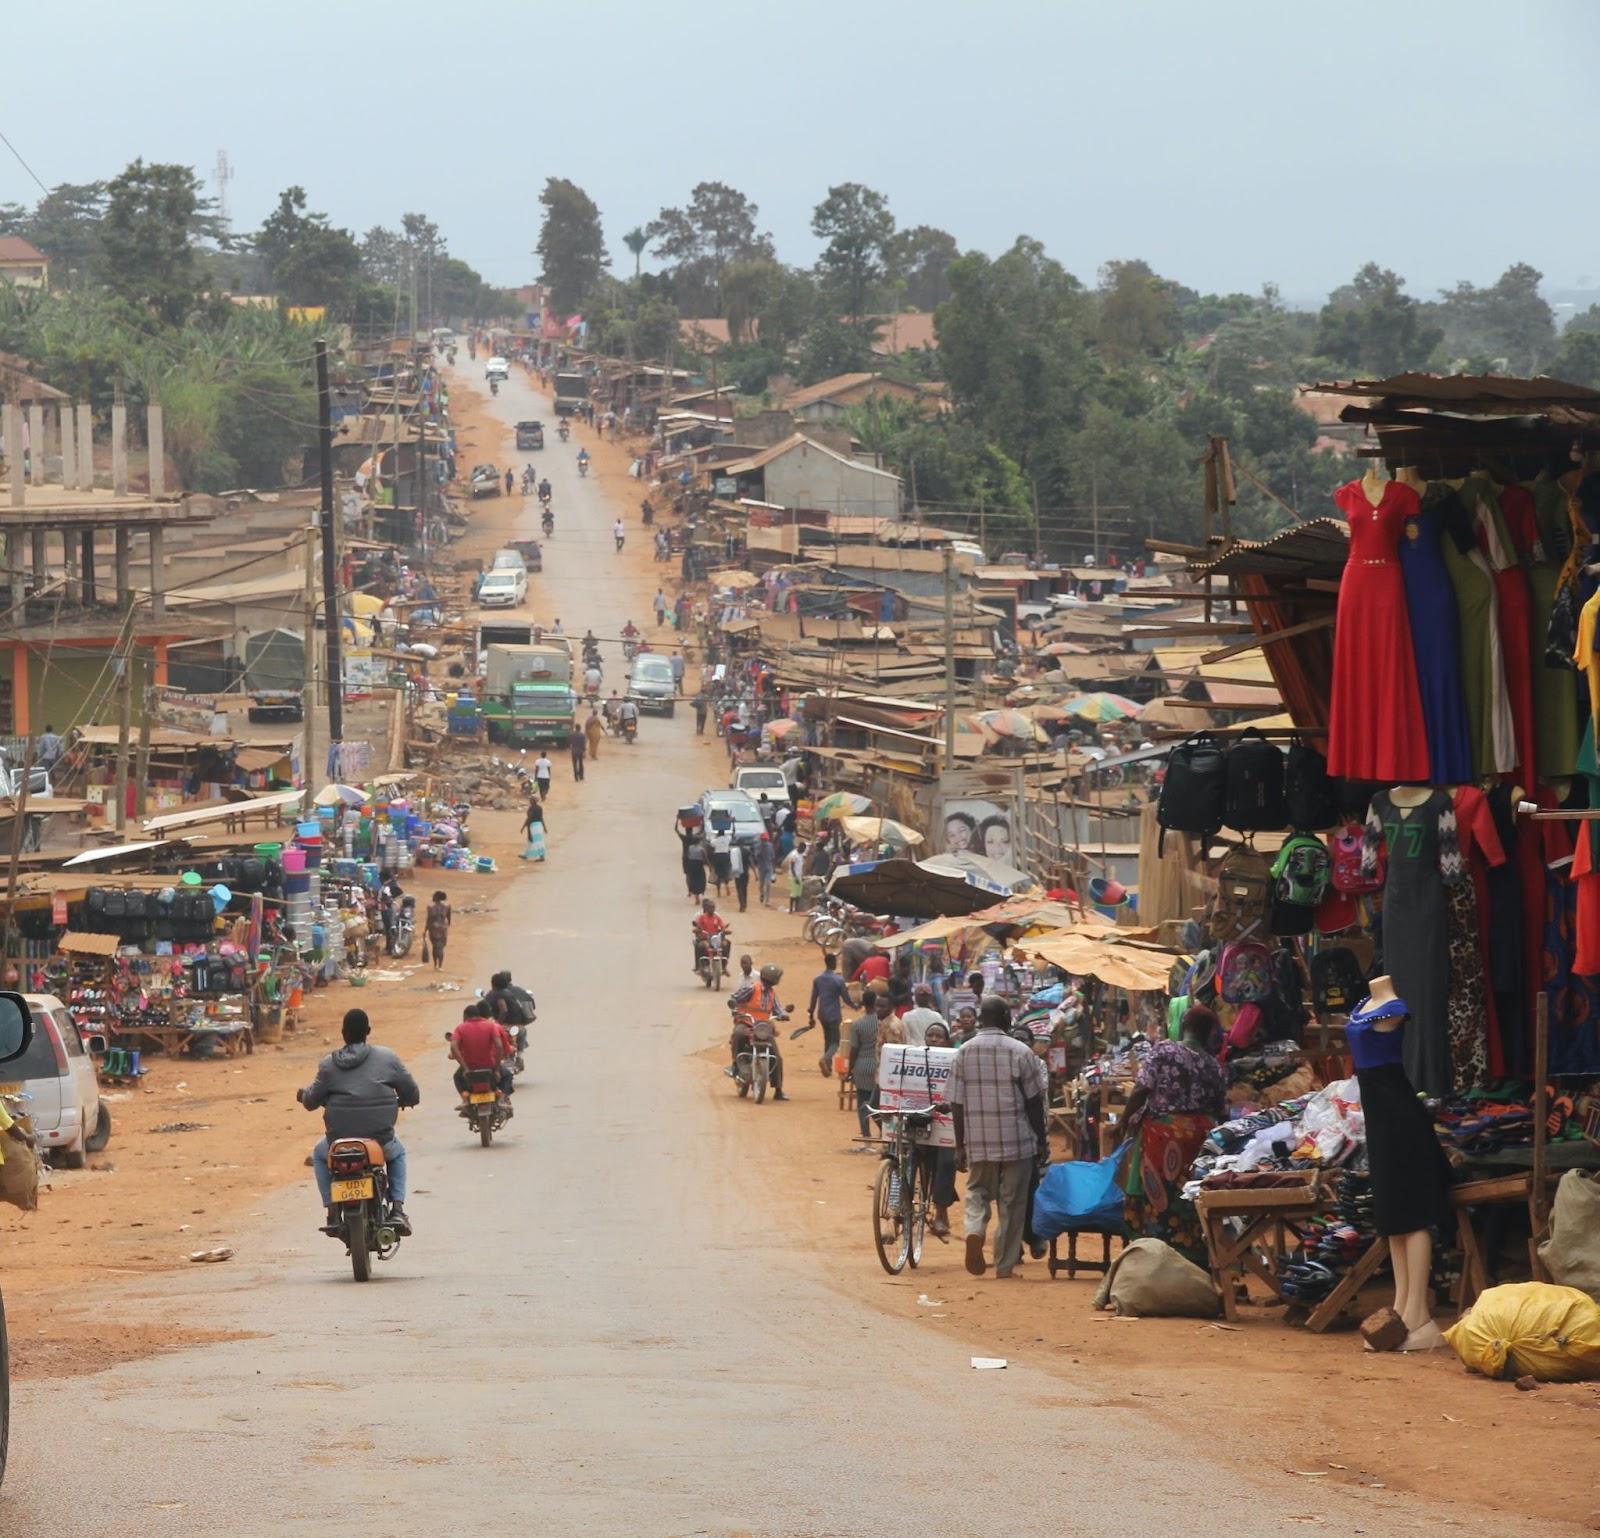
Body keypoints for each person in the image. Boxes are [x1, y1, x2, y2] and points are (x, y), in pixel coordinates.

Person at [1117, 1004, 1227, 1267]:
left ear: (1183, 1026)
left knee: (1158, 1199)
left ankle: (1155, 1258)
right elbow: (1220, 1111)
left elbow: (1141, 1089)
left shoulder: (1164, 1050)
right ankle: (1191, 1260)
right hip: (1199, 1139)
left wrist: (1123, 1121)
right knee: (1189, 1199)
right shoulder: (1213, 1065)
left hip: (1163, 1137)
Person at [947, 996, 1047, 1279]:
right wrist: (1040, 1140)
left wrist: (959, 1145)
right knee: (1012, 1204)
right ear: (1005, 1016)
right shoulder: (1021, 1052)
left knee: (977, 1192)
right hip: (1017, 1141)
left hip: (978, 1140)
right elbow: (1034, 1101)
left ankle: (975, 1230)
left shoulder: (963, 1051)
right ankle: (1004, 1266)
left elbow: (956, 1102)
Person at [298, 1009, 419, 1236]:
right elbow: (412, 1092)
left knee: (318, 1155)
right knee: (398, 1154)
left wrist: (303, 1095)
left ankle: (331, 1209)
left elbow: (311, 1100)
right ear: (368, 1032)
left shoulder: (327, 1065)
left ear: (343, 1034)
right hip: (380, 1139)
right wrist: (406, 1100)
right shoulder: (388, 1058)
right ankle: (398, 1209)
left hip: (338, 1143)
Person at [727, 962, 788, 1099]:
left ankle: (778, 1090)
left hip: (763, 1028)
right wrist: (735, 1008)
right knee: (737, 1034)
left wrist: (783, 1014)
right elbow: (735, 998)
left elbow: (778, 1008)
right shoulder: (753, 988)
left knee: (777, 1057)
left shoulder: (772, 994)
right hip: (747, 1023)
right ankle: (735, 1065)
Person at [448, 1001, 515, 1103]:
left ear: (465, 1016)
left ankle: (465, 1100)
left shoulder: (460, 1028)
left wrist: (465, 1068)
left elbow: (453, 1045)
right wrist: (496, 1069)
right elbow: (499, 1046)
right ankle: (502, 1098)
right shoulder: (491, 1026)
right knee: (508, 1075)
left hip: (470, 1067)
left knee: (457, 1077)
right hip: (490, 1066)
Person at [848, 991, 890, 1144]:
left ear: (863, 1003)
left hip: (862, 1065)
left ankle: (866, 1137)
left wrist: (850, 1069)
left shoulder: (858, 1024)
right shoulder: (882, 1023)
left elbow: (853, 1049)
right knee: (878, 1103)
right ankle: (884, 1132)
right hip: (878, 1066)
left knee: (862, 1103)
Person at [806, 951, 849, 1075]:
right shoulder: (838, 980)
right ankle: (825, 1059)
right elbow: (845, 998)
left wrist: (811, 1016)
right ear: (833, 963)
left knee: (827, 1039)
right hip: (834, 1014)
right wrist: (855, 1005)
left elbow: (813, 999)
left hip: (822, 1014)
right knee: (835, 1042)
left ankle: (827, 1068)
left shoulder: (818, 979)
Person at [691, 896, 729, 974]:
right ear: (706, 908)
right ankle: (699, 966)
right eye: (710, 907)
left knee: (726, 944)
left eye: (713, 907)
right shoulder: (701, 917)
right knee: (701, 945)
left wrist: (725, 930)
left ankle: (724, 965)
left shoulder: (717, 917)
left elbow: (722, 926)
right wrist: (697, 930)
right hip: (705, 939)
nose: (712, 909)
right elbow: (698, 927)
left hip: (715, 939)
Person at [424, 889, 451, 972]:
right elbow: (449, 918)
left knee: (435, 948)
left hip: (433, 929)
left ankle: (435, 964)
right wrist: (447, 927)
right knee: (441, 948)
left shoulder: (430, 907)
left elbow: (428, 920)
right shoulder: (447, 906)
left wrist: (425, 931)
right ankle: (440, 966)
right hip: (442, 929)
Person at [520, 796, 547, 861]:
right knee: (537, 840)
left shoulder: (531, 808)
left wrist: (523, 827)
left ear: (532, 801)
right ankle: (526, 855)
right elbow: (541, 818)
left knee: (534, 841)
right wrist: (544, 827)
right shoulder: (540, 808)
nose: (529, 801)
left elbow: (529, 818)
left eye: (530, 800)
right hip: (539, 825)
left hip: (533, 826)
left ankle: (541, 857)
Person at [783, 839, 807, 912]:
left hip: (799, 876)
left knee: (798, 894)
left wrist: (802, 876)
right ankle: (790, 909)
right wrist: (795, 877)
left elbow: (802, 866)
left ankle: (796, 908)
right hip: (794, 877)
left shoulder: (802, 855)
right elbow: (792, 867)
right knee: (793, 893)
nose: (804, 850)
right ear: (800, 847)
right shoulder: (794, 855)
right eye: (803, 849)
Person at [753, 831, 776, 906]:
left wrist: (774, 870)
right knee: (761, 885)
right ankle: (762, 894)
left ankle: (767, 900)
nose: (764, 841)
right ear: (761, 840)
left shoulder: (770, 846)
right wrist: (761, 851)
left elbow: (773, 858)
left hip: (769, 867)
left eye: (765, 840)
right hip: (761, 868)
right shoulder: (757, 846)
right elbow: (756, 857)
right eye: (763, 840)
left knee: (768, 884)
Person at [728, 838, 750, 912]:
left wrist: (730, 873)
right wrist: (756, 874)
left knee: (739, 889)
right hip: (746, 873)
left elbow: (731, 863)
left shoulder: (734, 852)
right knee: (744, 889)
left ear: (737, 844)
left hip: (738, 873)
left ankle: (742, 904)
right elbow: (751, 862)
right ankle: (745, 903)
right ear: (744, 843)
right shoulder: (747, 851)